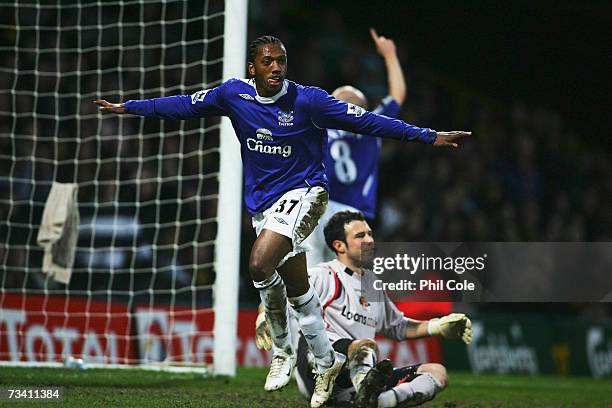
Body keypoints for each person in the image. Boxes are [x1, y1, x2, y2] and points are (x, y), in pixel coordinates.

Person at [94, 35, 470, 408]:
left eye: (282, 61)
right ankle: (325, 360)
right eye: (268, 61)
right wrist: (130, 107)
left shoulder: (309, 100)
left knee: (260, 262)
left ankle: (283, 350)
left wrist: (429, 135)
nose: (276, 68)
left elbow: (374, 122)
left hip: (309, 194)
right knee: (298, 285)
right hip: (266, 206)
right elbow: (183, 105)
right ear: (252, 67)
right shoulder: (233, 95)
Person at [256, 211, 473, 407]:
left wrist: (438, 326)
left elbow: (398, 326)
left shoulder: (373, 286)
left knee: (437, 372)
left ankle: (376, 402)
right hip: (319, 368)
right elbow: (280, 293)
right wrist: (264, 316)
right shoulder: (325, 275)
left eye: (370, 234)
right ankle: (366, 391)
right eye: (360, 236)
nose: (369, 240)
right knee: (364, 348)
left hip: (360, 373)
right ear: (339, 245)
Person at [304, 28, 406, 266]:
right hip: (353, 216)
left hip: (316, 210)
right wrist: (390, 55)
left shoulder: (316, 127)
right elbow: (398, 94)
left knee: (309, 283)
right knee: (353, 286)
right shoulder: (372, 128)